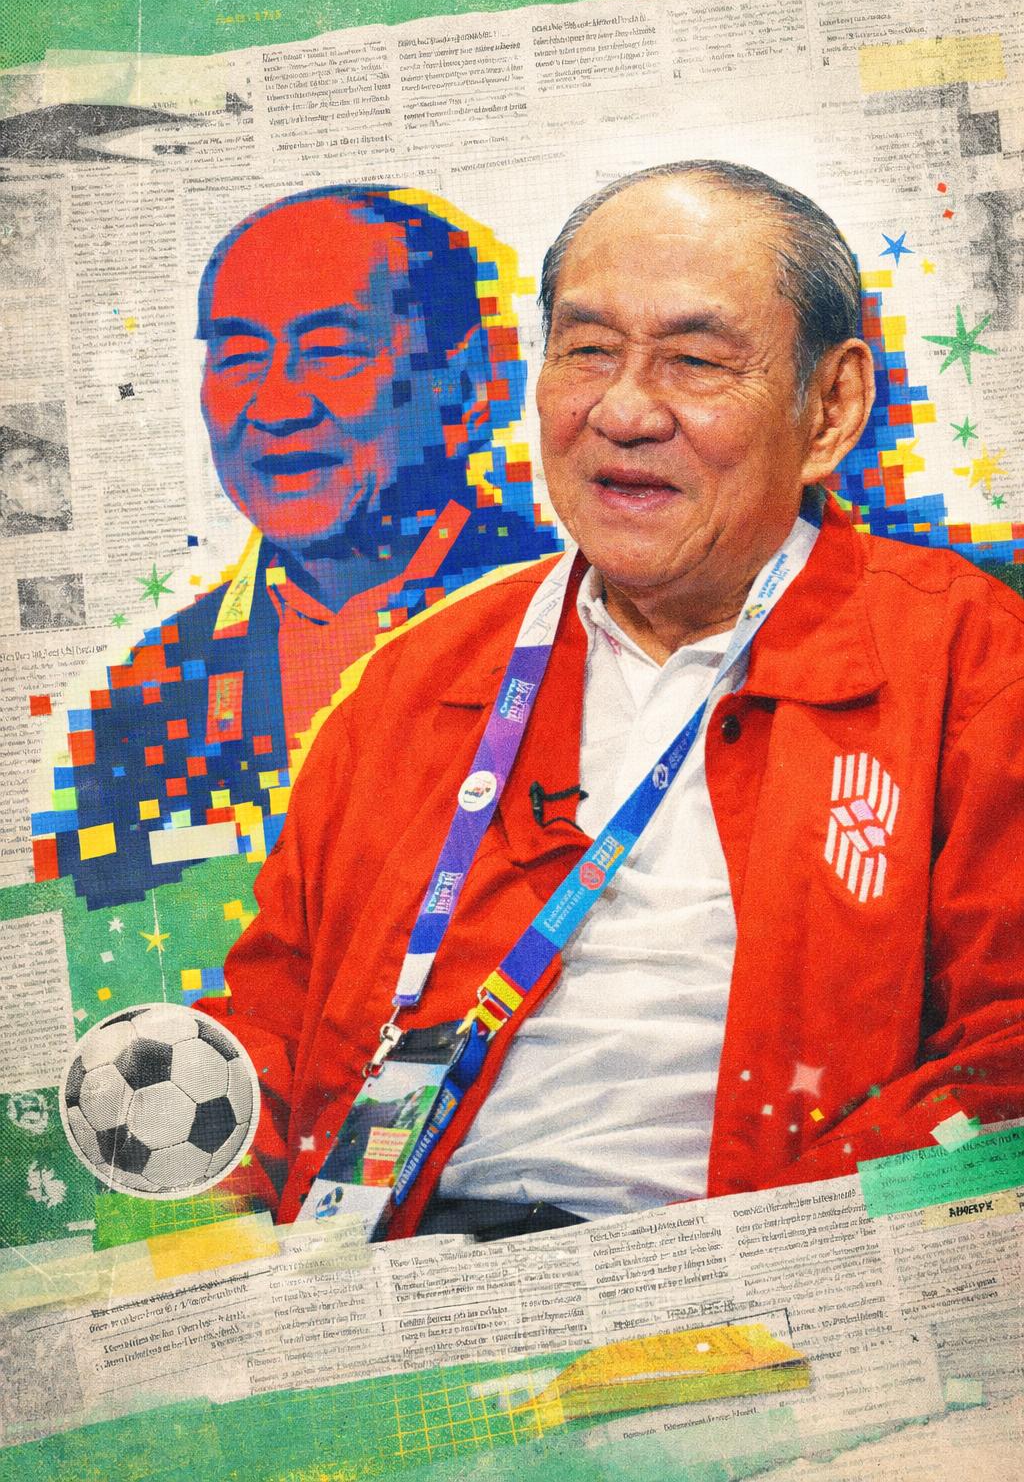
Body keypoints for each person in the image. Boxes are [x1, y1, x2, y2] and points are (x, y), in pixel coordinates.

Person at [206, 160, 1024, 1241]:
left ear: (830, 408)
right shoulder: (418, 681)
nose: (624, 411)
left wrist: (780, 1246)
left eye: (695, 360)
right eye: (587, 351)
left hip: (751, 1265)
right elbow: (271, 1022)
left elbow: (1007, 1054)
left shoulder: (968, 659)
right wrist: (214, 1203)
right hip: (394, 1255)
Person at [32, 187, 560, 909]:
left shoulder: (573, 620)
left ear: (468, 385)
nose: (278, 407)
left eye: (332, 352)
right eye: (241, 358)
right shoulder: (145, 699)